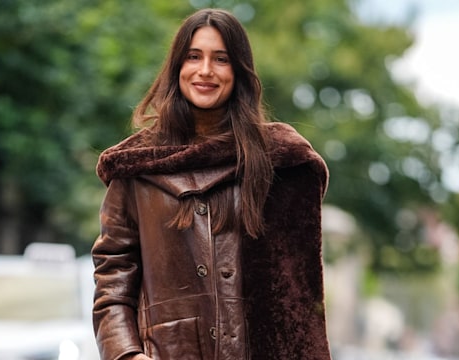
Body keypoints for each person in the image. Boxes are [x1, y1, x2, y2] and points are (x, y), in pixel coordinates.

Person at [92, 8, 331, 360]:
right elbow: (112, 280)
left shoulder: (276, 161)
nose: (205, 71)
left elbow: (294, 293)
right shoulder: (136, 167)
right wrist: (127, 354)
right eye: (194, 57)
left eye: (221, 59)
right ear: (178, 67)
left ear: (238, 72)